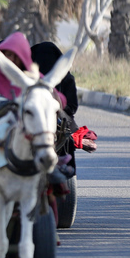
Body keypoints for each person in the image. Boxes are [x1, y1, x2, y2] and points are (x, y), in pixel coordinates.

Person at [0, 31, 67, 110]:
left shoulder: (34, 77)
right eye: (9, 54)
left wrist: (54, 98)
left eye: (17, 56)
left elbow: (60, 99)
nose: (13, 59)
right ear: (3, 55)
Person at [31, 41, 79, 177]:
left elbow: (72, 106)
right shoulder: (31, 78)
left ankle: (66, 170)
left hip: (61, 117)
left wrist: (57, 110)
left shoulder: (66, 79)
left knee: (66, 136)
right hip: (37, 116)